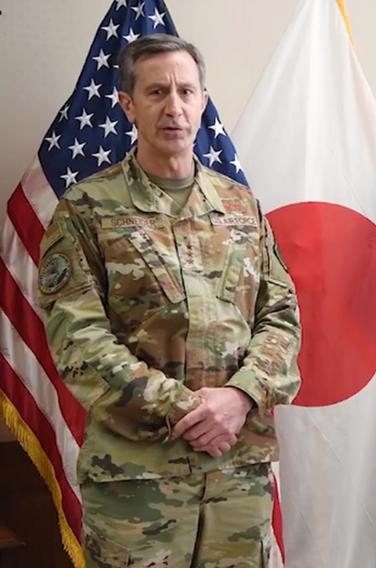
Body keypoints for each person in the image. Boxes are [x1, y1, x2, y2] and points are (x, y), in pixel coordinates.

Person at [37, 34, 301, 567]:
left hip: (236, 475)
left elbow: (281, 318)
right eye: (157, 92)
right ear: (128, 105)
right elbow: (80, 340)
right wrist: (188, 410)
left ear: (204, 100)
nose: (174, 107)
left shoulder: (241, 206)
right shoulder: (86, 210)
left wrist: (241, 397)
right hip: (139, 484)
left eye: (186, 91)